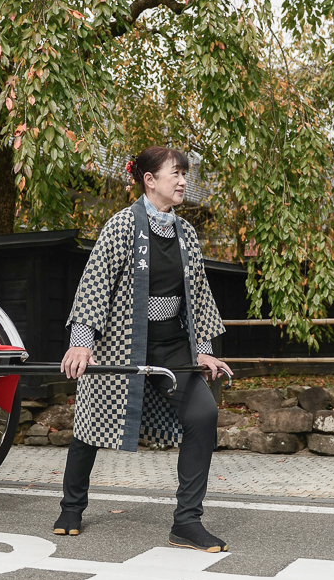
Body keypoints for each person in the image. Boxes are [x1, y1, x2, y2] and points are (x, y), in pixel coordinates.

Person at [56, 146, 232, 552]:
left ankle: (187, 522)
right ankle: (71, 507)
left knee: (203, 415)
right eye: (176, 173)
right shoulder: (121, 226)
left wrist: (203, 349)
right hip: (121, 344)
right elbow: (95, 284)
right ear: (150, 180)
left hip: (172, 346)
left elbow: (198, 297)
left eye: (185, 173)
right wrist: (82, 343)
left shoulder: (186, 233)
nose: (184, 180)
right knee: (90, 424)